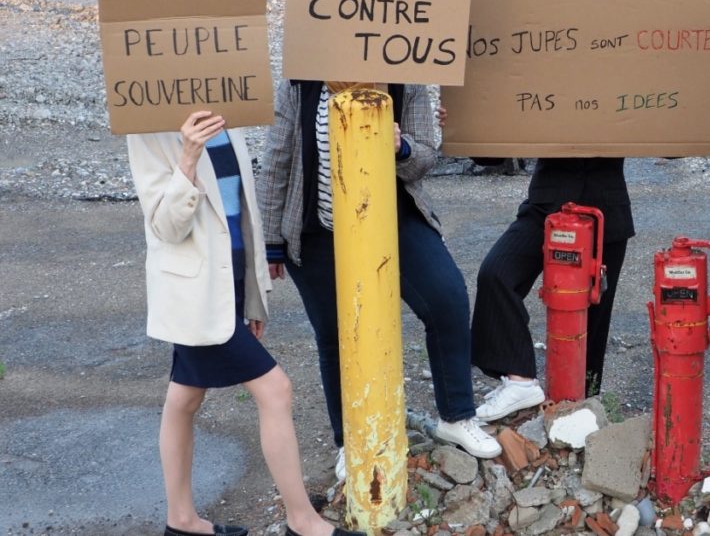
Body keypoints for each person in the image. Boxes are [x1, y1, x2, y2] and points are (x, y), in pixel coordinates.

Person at [128, 111, 364, 536]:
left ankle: (181, 521)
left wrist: (252, 295)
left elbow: (240, 212)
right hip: (194, 294)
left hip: (228, 285)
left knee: (185, 397)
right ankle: (302, 521)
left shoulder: (226, 110)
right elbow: (165, 225)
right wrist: (188, 156)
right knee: (275, 389)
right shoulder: (148, 125)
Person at [257, 81, 502, 478]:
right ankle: (350, 442)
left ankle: (456, 416)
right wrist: (270, 242)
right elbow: (276, 161)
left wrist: (400, 147)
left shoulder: (405, 77)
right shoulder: (299, 85)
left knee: (447, 299)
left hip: (393, 219)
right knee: (335, 335)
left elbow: (426, 157)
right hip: (319, 231)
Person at [466, 150, 635, 421]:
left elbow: (671, 138)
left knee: (593, 320)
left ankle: (584, 409)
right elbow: (489, 152)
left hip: (606, 211)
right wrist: (467, 133)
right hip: (546, 207)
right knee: (496, 274)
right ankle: (520, 381)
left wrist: (706, 127)